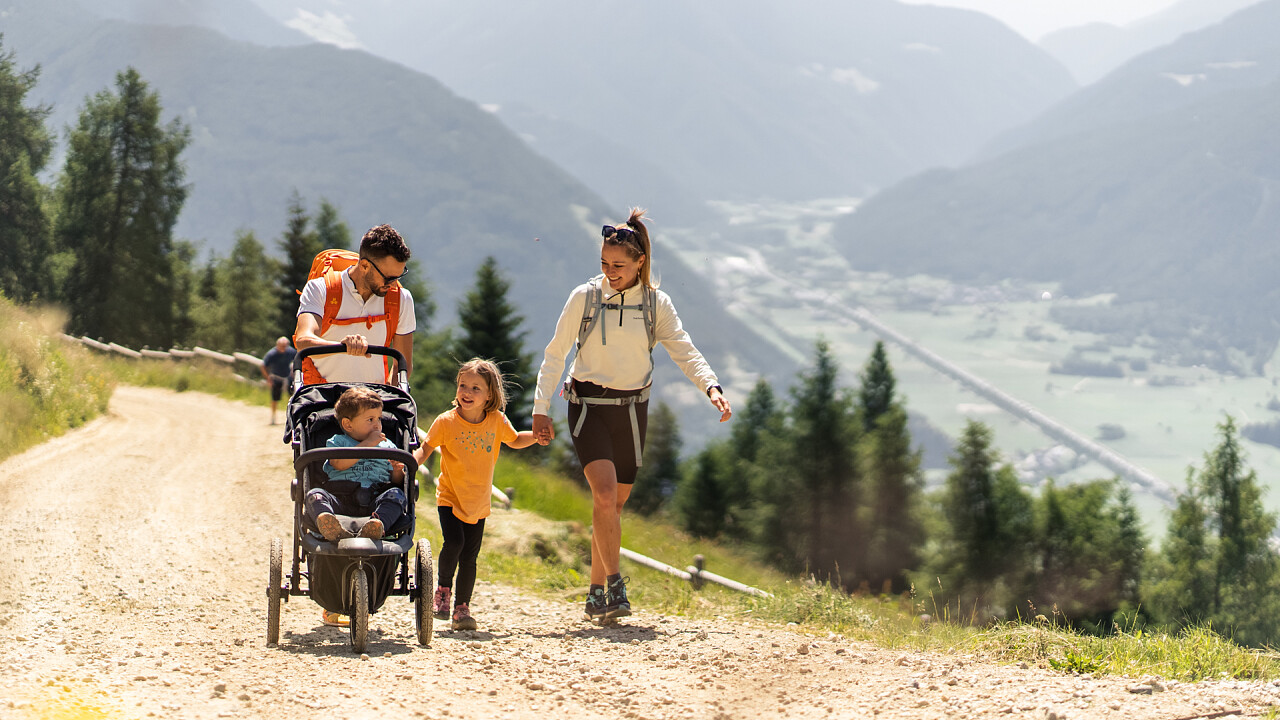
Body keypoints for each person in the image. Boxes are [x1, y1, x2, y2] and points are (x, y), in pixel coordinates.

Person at [532, 208, 732, 622]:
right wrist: (540, 408)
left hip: (632, 413)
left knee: (612, 509)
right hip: (587, 408)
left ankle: (593, 591)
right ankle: (616, 585)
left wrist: (710, 385)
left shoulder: (656, 305)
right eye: (604, 264)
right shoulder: (584, 298)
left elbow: (683, 348)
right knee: (604, 497)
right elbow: (555, 354)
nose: (610, 272)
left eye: (619, 266)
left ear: (641, 262)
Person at [414, 358, 546, 631]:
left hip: (479, 502)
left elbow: (515, 440)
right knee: (454, 543)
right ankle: (443, 591)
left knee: (470, 556)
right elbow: (425, 449)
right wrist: (409, 464)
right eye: (463, 385)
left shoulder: (496, 421)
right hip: (450, 496)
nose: (467, 392)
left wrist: (536, 436)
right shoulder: (446, 422)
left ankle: (462, 609)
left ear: (490, 395)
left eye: (476, 388)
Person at [306, 386, 408, 626]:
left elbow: (396, 483)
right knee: (315, 494)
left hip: (375, 501)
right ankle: (326, 522)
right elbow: (339, 464)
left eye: (379, 420)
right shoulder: (338, 441)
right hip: (340, 499)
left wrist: (396, 470)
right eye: (370, 420)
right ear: (348, 424)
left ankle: (378, 525)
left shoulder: (388, 446)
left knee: (395, 494)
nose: (377, 425)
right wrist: (369, 445)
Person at [293, 224, 415, 382]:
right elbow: (303, 341)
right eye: (389, 278)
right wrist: (343, 347)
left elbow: (403, 365)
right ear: (364, 266)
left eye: (399, 276)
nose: (394, 285)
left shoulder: (401, 299)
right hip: (322, 395)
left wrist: (388, 400)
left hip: (373, 400)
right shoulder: (320, 289)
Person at [260, 336, 297, 425]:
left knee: (291, 397)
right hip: (276, 377)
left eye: (285, 346)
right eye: (282, 346)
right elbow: (263, 365)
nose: (283, 348)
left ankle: (291, 417)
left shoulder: (291, 352)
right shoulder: (272, 354)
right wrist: (268, 378)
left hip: (288, 377)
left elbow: (298, 360)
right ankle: (273, 417)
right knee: (275, 398)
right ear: (277, 345)